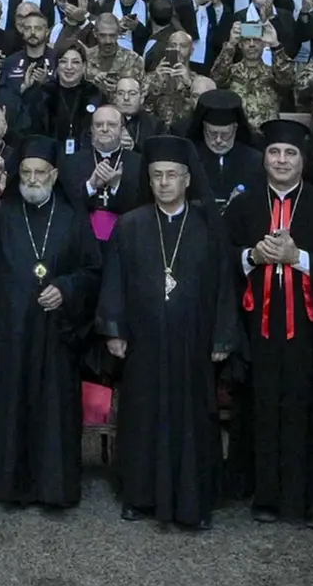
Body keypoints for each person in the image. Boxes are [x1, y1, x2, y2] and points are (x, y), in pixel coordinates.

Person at [0, 139, 97, 509]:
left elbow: (92, 270)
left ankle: (51, 487)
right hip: (5, 329)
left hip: (52, 334)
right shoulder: (2, 212)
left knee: (50, 406)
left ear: (54, 175)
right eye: (26, 172)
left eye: (39, 173)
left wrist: (65, 288)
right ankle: (0, 482)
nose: (32, 179)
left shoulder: (73, 217)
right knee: (6, 401)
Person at [226, 123, 313, 526]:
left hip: (310, 332)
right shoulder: (243, 207)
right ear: (263, 158)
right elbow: (221, 259)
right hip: (258, 333)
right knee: (262, 408)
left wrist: (297, 257)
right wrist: (252, 257)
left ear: (303, 160)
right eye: (274, 153)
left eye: (290, 153)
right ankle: (265, 495)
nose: (281, 160)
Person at [96, 139, 230, 529]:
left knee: (192, 419)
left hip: (194, 341)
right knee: (142, 416)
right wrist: (114, 330)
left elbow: (224, 285)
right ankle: (139, 497)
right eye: (157, 176)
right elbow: (114, 281)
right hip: (144, 342)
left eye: (172, 175)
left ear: (187, 179)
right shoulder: (130, 224)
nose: (165, 183)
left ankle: (193, 501)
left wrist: (222, 336)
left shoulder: (208, 226)